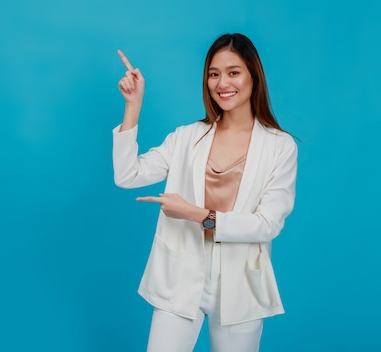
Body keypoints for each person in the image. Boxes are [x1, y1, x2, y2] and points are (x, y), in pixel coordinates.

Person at [112, 33, 297, 352]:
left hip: (240, 285)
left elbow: (267, 225)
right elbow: (128, 175)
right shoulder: (187, 137)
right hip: (181, 274)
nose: (222, 82)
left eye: (233, 72)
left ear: (254, 75)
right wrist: (133, 106)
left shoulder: (280, 146)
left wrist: (197, 215)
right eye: (214, 73)